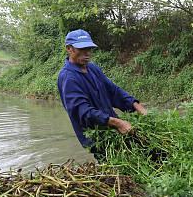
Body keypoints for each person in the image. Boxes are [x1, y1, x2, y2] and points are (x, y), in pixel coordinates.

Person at [57, 29, 147, 160]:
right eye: (82, 49)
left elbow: (113, 91)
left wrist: (137, 106)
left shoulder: (92, 68)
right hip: (97, 138)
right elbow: (83, 112)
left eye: (89, 48)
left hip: (113, 126)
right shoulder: (68, 78)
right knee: (117, 167)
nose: (87, 53)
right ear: (69, 49)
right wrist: (118, 123)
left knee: (141, 153)